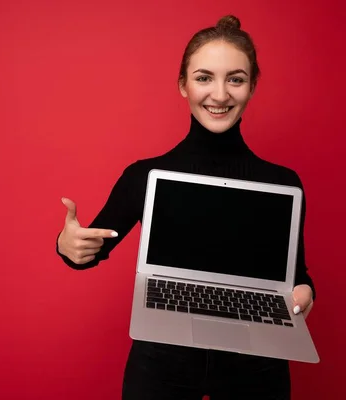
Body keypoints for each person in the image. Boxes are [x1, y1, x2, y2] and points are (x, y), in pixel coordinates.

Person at [55, 14, 316, 400]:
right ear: (183, 85)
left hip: (255, 363)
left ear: (252, 86)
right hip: (161, 363)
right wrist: (67, 244)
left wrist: (304, 293)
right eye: (204, 77)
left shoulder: (282, 184)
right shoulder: (145, 175)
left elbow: (297, 276)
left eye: (236, 79)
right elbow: (88, 252)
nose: (221, 95)